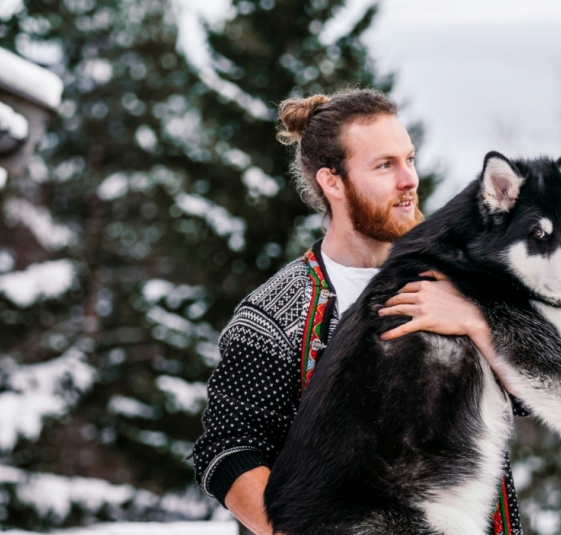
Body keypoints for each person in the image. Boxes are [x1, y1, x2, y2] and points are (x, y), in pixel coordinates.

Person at [191, 88, 524, 535]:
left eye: (409, 159)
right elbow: (228, 449)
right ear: (333, 182)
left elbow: (532, 391)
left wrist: (476, 323)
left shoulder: (466, 273)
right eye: (385, 165)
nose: (409, 180)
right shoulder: (274, 314)